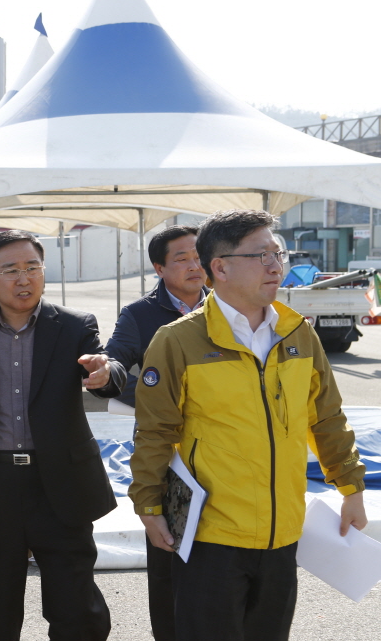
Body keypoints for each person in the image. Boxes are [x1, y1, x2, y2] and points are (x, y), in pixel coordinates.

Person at [130, 210, 367, 641]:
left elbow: (326, 417)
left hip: (282, 534)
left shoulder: (298, 334)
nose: (276, 265)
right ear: (218, 268)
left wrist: (351, 487)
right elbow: (155, 432)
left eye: (278, 253)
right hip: (211, 537)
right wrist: (148, 506)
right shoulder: (178, 341)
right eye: (261, 255)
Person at [0, 230, 123, 641]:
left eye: (32, 268)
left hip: (59, 481)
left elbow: (107, 369)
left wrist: (105, 372)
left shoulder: (73, 325)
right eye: (11, 270)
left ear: (44, 272)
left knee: (74, 600)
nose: (24, 279)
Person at [104, 225, 208, 640]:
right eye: (181, 258)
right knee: (167, 555)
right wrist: (157, 395)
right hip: (166, 455)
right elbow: (115, 366)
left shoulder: (228, 304)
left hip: (223, 451)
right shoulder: (140, 315)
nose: (194, 265)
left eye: (199, 257)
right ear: (159, 267)